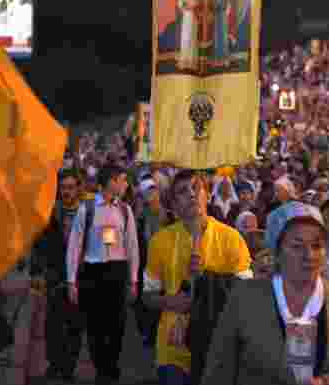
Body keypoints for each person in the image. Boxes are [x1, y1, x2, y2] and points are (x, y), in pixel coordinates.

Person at [200, 201, 329, 385]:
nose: (309, 255)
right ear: (277, 251)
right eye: (297, 246)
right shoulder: (245, 300)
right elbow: (218, 371)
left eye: (317, 245)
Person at [144, 170, 252, 385]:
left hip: (218, 342)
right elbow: (148, 296)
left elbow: (247, 293)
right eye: (183, 192)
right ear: (174, 204)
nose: (191, 195)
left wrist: (207, 279)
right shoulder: (159, 241)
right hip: (174, 345)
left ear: (207, 195)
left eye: (196, 188)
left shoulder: (232, 238)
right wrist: (170, 301)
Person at [65, 164, 139, 385]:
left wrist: (133, 279)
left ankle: (112, 369)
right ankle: (101, 370)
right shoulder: (86, 209)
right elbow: (74, 246)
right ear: (111, 181)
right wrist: (71, 281)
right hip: (92, 273)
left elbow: (132, 246)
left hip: (117, 272)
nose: (126, 185)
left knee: (117, 326)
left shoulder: (125, 211)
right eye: (123, 180)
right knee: (95, 327)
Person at [30, 168, 86, 383]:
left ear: (78, 189)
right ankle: (54, 365)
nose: (67, 192)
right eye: (63, 187)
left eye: (71, 187)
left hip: (80, 280)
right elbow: (38, 243)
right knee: (52, 325)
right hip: (54, 277)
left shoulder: (87, 213)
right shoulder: (49, 213)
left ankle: (68, 367)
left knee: (75, 325)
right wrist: (37, 272)